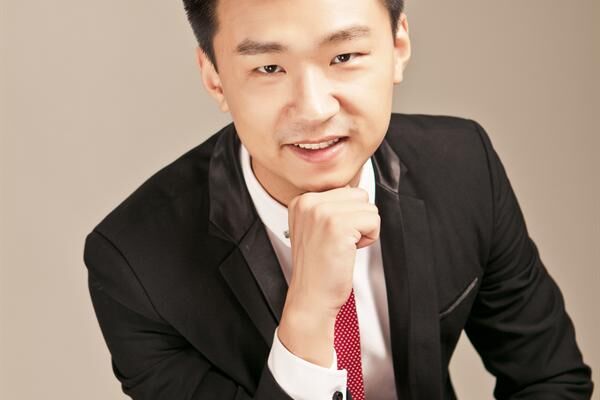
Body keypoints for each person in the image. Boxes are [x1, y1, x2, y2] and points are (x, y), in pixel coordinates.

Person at [83, 0, 594, 399]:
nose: (313, 109)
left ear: (398, 46)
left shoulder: (462, 166)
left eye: (344, 57)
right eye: (269, 68)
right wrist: (307, 317)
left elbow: (551, 380)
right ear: (215, 77)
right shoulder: (134, 263)